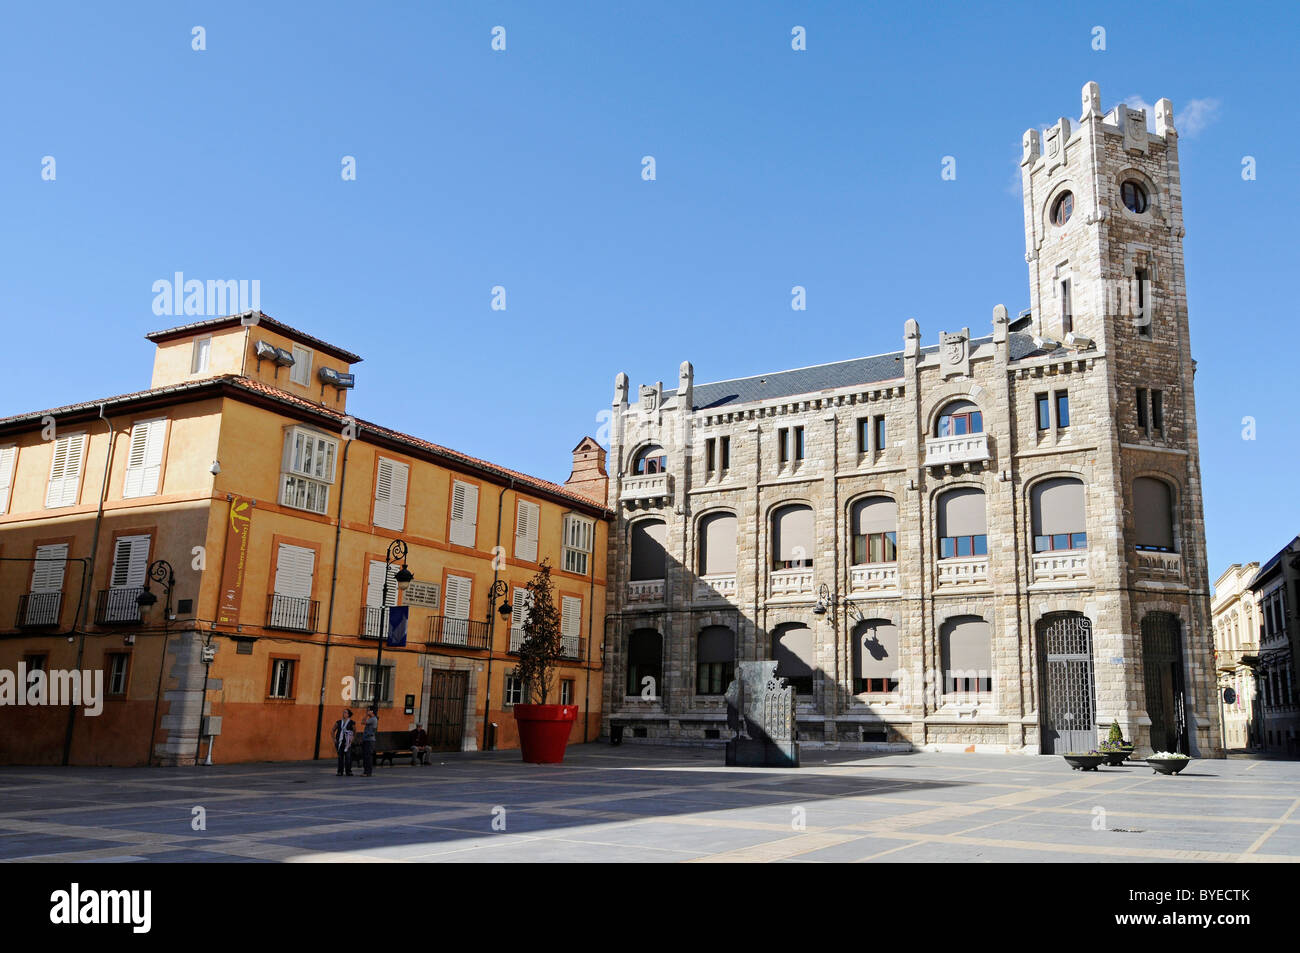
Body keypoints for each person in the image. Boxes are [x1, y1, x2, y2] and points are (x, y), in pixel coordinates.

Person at [331, 708, 355, 776]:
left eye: (345, 712)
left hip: (347, 742)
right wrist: (334, 739)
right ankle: (340, 771)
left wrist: (352, 738)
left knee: (348, 757)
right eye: (343, 712)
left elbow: (354, 731)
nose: (343, 714)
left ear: (348, 715)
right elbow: (332, 730)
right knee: (340, 757)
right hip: (340, 741)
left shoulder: (351, 722)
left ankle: (348, 771)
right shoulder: (338, 722)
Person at [361, 706, 378, 776]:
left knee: (368, 756)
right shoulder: (372, 719)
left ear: (372, 711)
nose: (367, 712)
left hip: (369, 740)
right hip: (367, 739)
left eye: (368, 710)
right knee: (366, 756)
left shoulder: (373, 719)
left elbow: (362, 722)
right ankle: (366, 772)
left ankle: (367, 772)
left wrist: (366, 715)